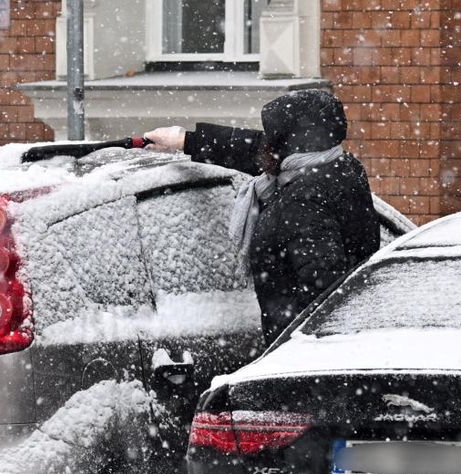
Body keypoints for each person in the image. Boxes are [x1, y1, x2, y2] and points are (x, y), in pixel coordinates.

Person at [145, 89, 379, 344]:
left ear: (291, 145)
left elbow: (323, 294)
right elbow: (252, 149)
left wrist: (291, 353)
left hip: (298, 355)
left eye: (274, 139)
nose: (266, 144)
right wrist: (185, 140)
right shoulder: (336, 168)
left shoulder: (304, 202)